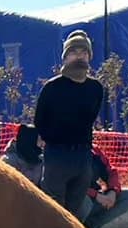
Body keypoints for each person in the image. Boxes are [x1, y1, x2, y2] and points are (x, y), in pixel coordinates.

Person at [34, 31, 105, 214]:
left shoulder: (95, 88)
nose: (79, 56)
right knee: (53, 210)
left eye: (84, 52)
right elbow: (40, 121)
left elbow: (90, 118)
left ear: (89, 56)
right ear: (65, 58)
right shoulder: (52, 88)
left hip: (82, 156)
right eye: (74, 52)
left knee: (75, 209)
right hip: (56, 155)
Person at [81, 146, 128, 228]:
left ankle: (90, 227)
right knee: (84, 200)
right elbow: (70, 185)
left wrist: (112, 191)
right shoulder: (64, 150)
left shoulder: (95, 151)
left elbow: (111, 172)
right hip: (76, 200)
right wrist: (95, 195)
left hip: (95, 199)